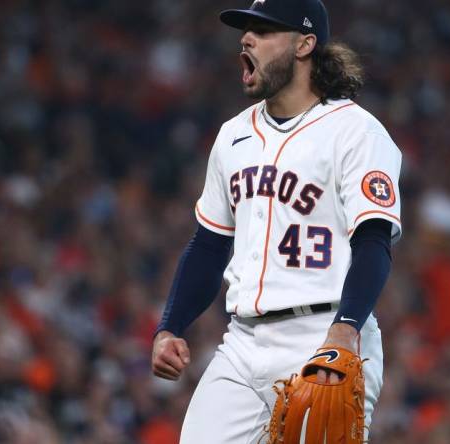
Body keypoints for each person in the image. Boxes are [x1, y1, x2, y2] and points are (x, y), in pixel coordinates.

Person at [151, 0, 403, 441]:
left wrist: (345, 329)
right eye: (246, 30)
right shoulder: (233, 136)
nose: (246, 38)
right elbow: (209, 245)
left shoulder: (355, 132)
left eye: (265, 31)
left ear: (305, 45)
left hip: (323, 336)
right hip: (242, 342)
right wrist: (170, 326)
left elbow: (373, 242)